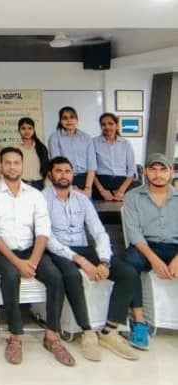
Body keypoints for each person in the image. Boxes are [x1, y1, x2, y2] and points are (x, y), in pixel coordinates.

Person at [0, 147, 74, 366]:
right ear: (0, 166)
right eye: (8, 163)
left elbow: (43, 231)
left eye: (16, 163)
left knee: (55, 277)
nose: (12, 167)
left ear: (22, 166)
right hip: (0, 251)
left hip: (31, 250)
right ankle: (15, 336)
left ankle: (52, 336)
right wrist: (18, 263)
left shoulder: (35, 195)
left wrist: (32, 262)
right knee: (11, 275)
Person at [44, 156, 140, 361]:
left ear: (72, 174)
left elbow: (99, 231)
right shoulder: (41, 199)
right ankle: (87, 332)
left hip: (83, 247)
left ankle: (109, 331)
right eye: (58, 171)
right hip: (57, 251)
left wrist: (104, 261)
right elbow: (47, 238)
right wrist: (82, 261)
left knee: (128, 273)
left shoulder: (82, 199)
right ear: (50, 174)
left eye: (67, 171)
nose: (63, 175)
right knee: (72, 275)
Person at [121, 153, 178, 351]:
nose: (158, 174)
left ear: (171, 172)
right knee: (128, 264)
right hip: (146, 246)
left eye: (163, 170)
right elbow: (134, 233)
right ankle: (139, 322)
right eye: (153, 169)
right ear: (145, 172)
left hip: (175, 248)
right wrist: (154, 260)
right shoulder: (133, 197)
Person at [48, 106, 96, 194]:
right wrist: (69, 187)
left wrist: (88, 188)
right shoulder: (55, 137)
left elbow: (91, 165)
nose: (69, 120)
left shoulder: (86, 138)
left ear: (76, 120)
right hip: (64, 178)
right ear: (60, 121)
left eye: (72, 117)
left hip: (85, 180)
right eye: (65, 118)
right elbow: (57, 164)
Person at [92, 113, 137, 201]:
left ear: (117, 125)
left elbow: (131, 169)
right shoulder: (93, 142)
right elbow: (91, 169)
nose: (107, 127)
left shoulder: (125, 144)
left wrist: (121, 191)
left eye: (110, 124)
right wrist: (102, 191)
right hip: (100, 184)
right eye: (103, 124)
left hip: (122, 184)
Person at [12, 117, 49, 190]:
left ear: (34, 130)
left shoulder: (41, 147)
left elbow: (46, 168)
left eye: (30, 128)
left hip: (38, 184)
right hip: (20, 183)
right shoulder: (14, 147)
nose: (27, 131)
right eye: (23, 128)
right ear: (19, 130)